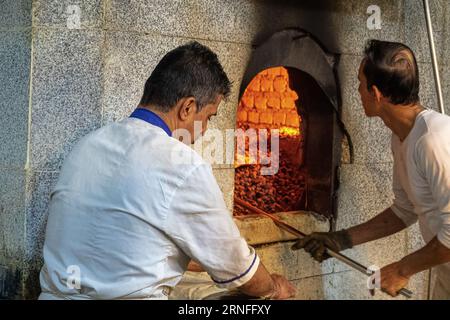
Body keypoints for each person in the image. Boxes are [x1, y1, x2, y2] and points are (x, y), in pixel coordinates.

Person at [39, 41, 296, 300]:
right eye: (208, 117)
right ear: (187, 108)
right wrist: (274, 289)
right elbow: (237, 266)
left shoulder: (88, 145)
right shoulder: (182, 165)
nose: (205, 130)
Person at [292, 39, 450, 299]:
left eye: (359, 83)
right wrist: (340, 239)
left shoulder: (435, 139)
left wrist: (401, 269)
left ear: (376, 94)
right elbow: (404, 210)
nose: (356, 89)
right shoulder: (401, 137)